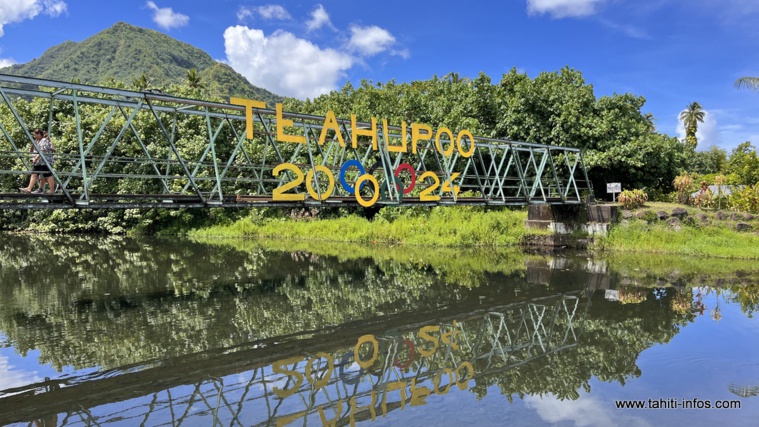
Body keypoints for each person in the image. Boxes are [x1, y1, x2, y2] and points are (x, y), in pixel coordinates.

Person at [19, 129, 56, 194]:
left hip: (45, 161)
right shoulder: (38, 141)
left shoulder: (44, 140)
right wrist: (34, 142)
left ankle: (52, 190)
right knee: (34, 174)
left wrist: (35, 158)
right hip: (39, 162)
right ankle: (29, 189)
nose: (34, 136)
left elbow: (43, 150)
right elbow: (32, 150)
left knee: (47, 175)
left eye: (35, 135)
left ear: (39, 134)